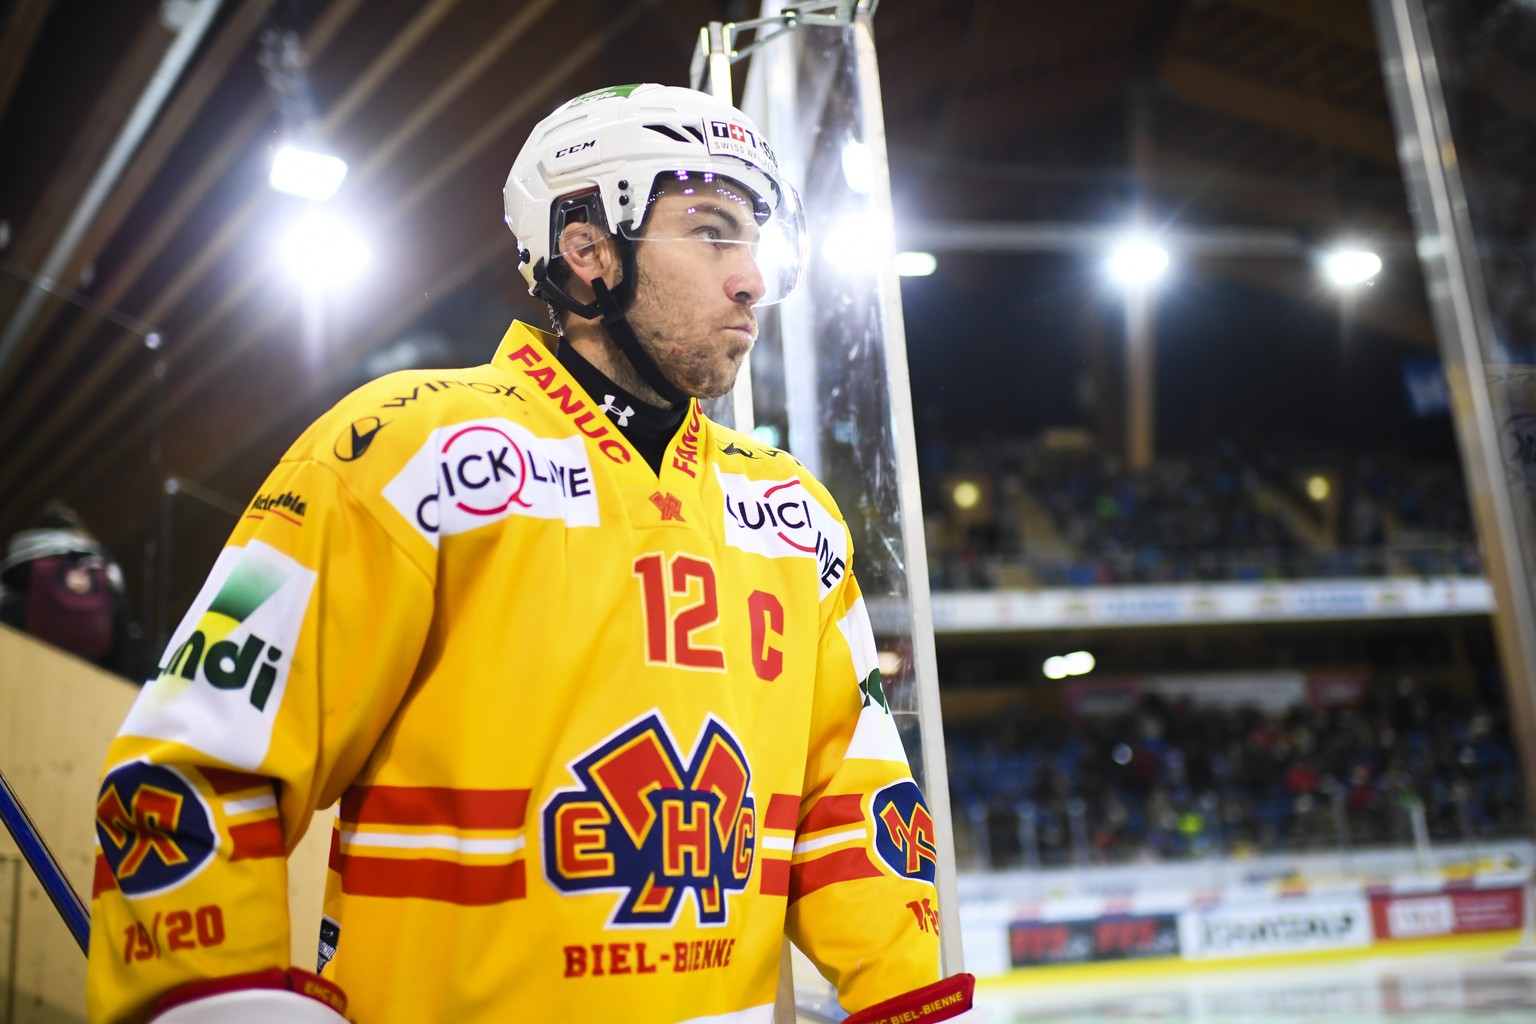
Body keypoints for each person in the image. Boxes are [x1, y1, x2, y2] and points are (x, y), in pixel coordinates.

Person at [87, 84, 979, 1024]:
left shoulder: (794, 514)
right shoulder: (397, 447)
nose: (750, 276)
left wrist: (913, 1002)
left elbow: (857, 812)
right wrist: (209, 1000)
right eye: (713, 230)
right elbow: (193, 762)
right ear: (587, 251)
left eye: (755, 241)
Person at [0, 501, 134, 675]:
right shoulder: (101, 561)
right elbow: (121, 613)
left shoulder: (20, 555)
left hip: (26, 659)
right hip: (91, 666)